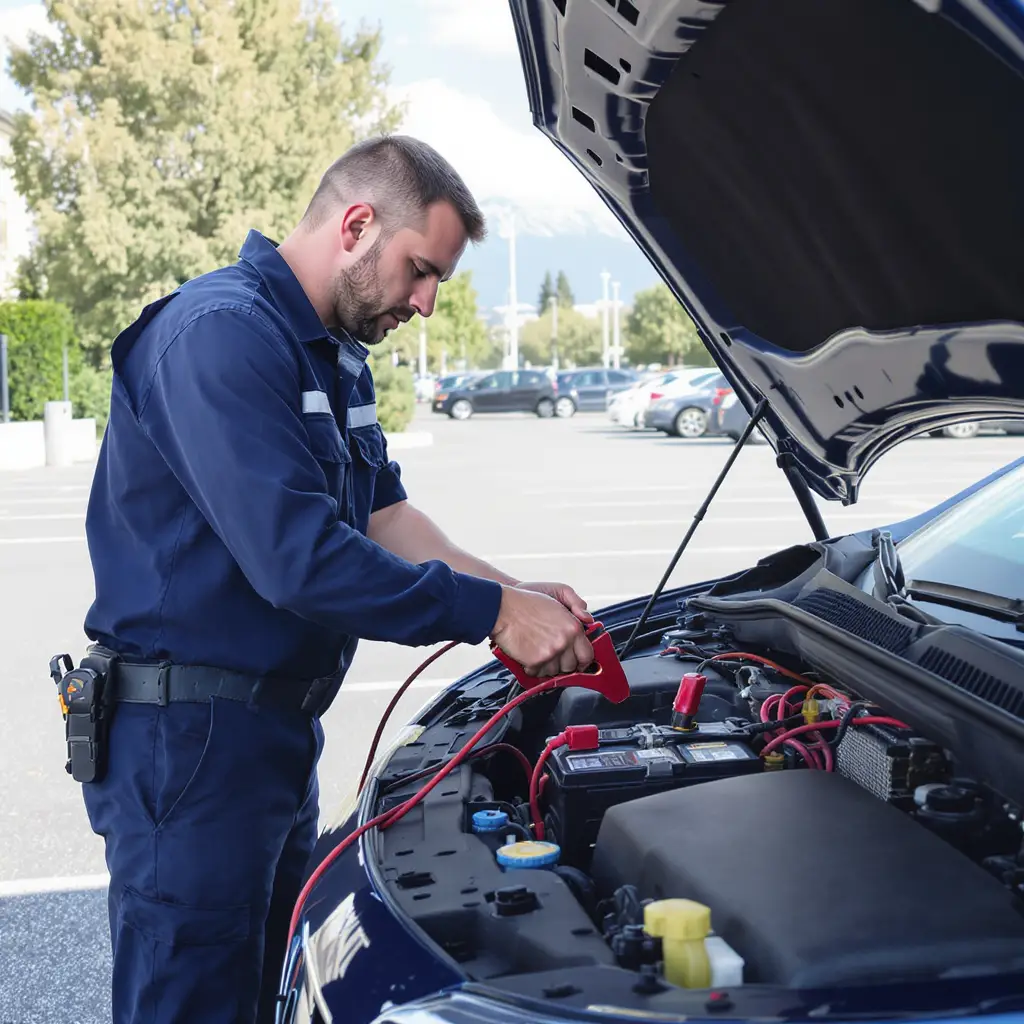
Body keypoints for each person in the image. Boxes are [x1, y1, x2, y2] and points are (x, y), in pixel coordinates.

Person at [78, 134, 595, 1024]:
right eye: (421, 270)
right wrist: (489, 614)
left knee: (279, 992)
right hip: (190, 748)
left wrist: (520, 595)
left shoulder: (329, 352)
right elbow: (300, 560)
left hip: (273, 737)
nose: (428, 304)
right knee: (193, 1002)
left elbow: (387, 517)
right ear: (357, 225)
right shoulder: (219, 336)